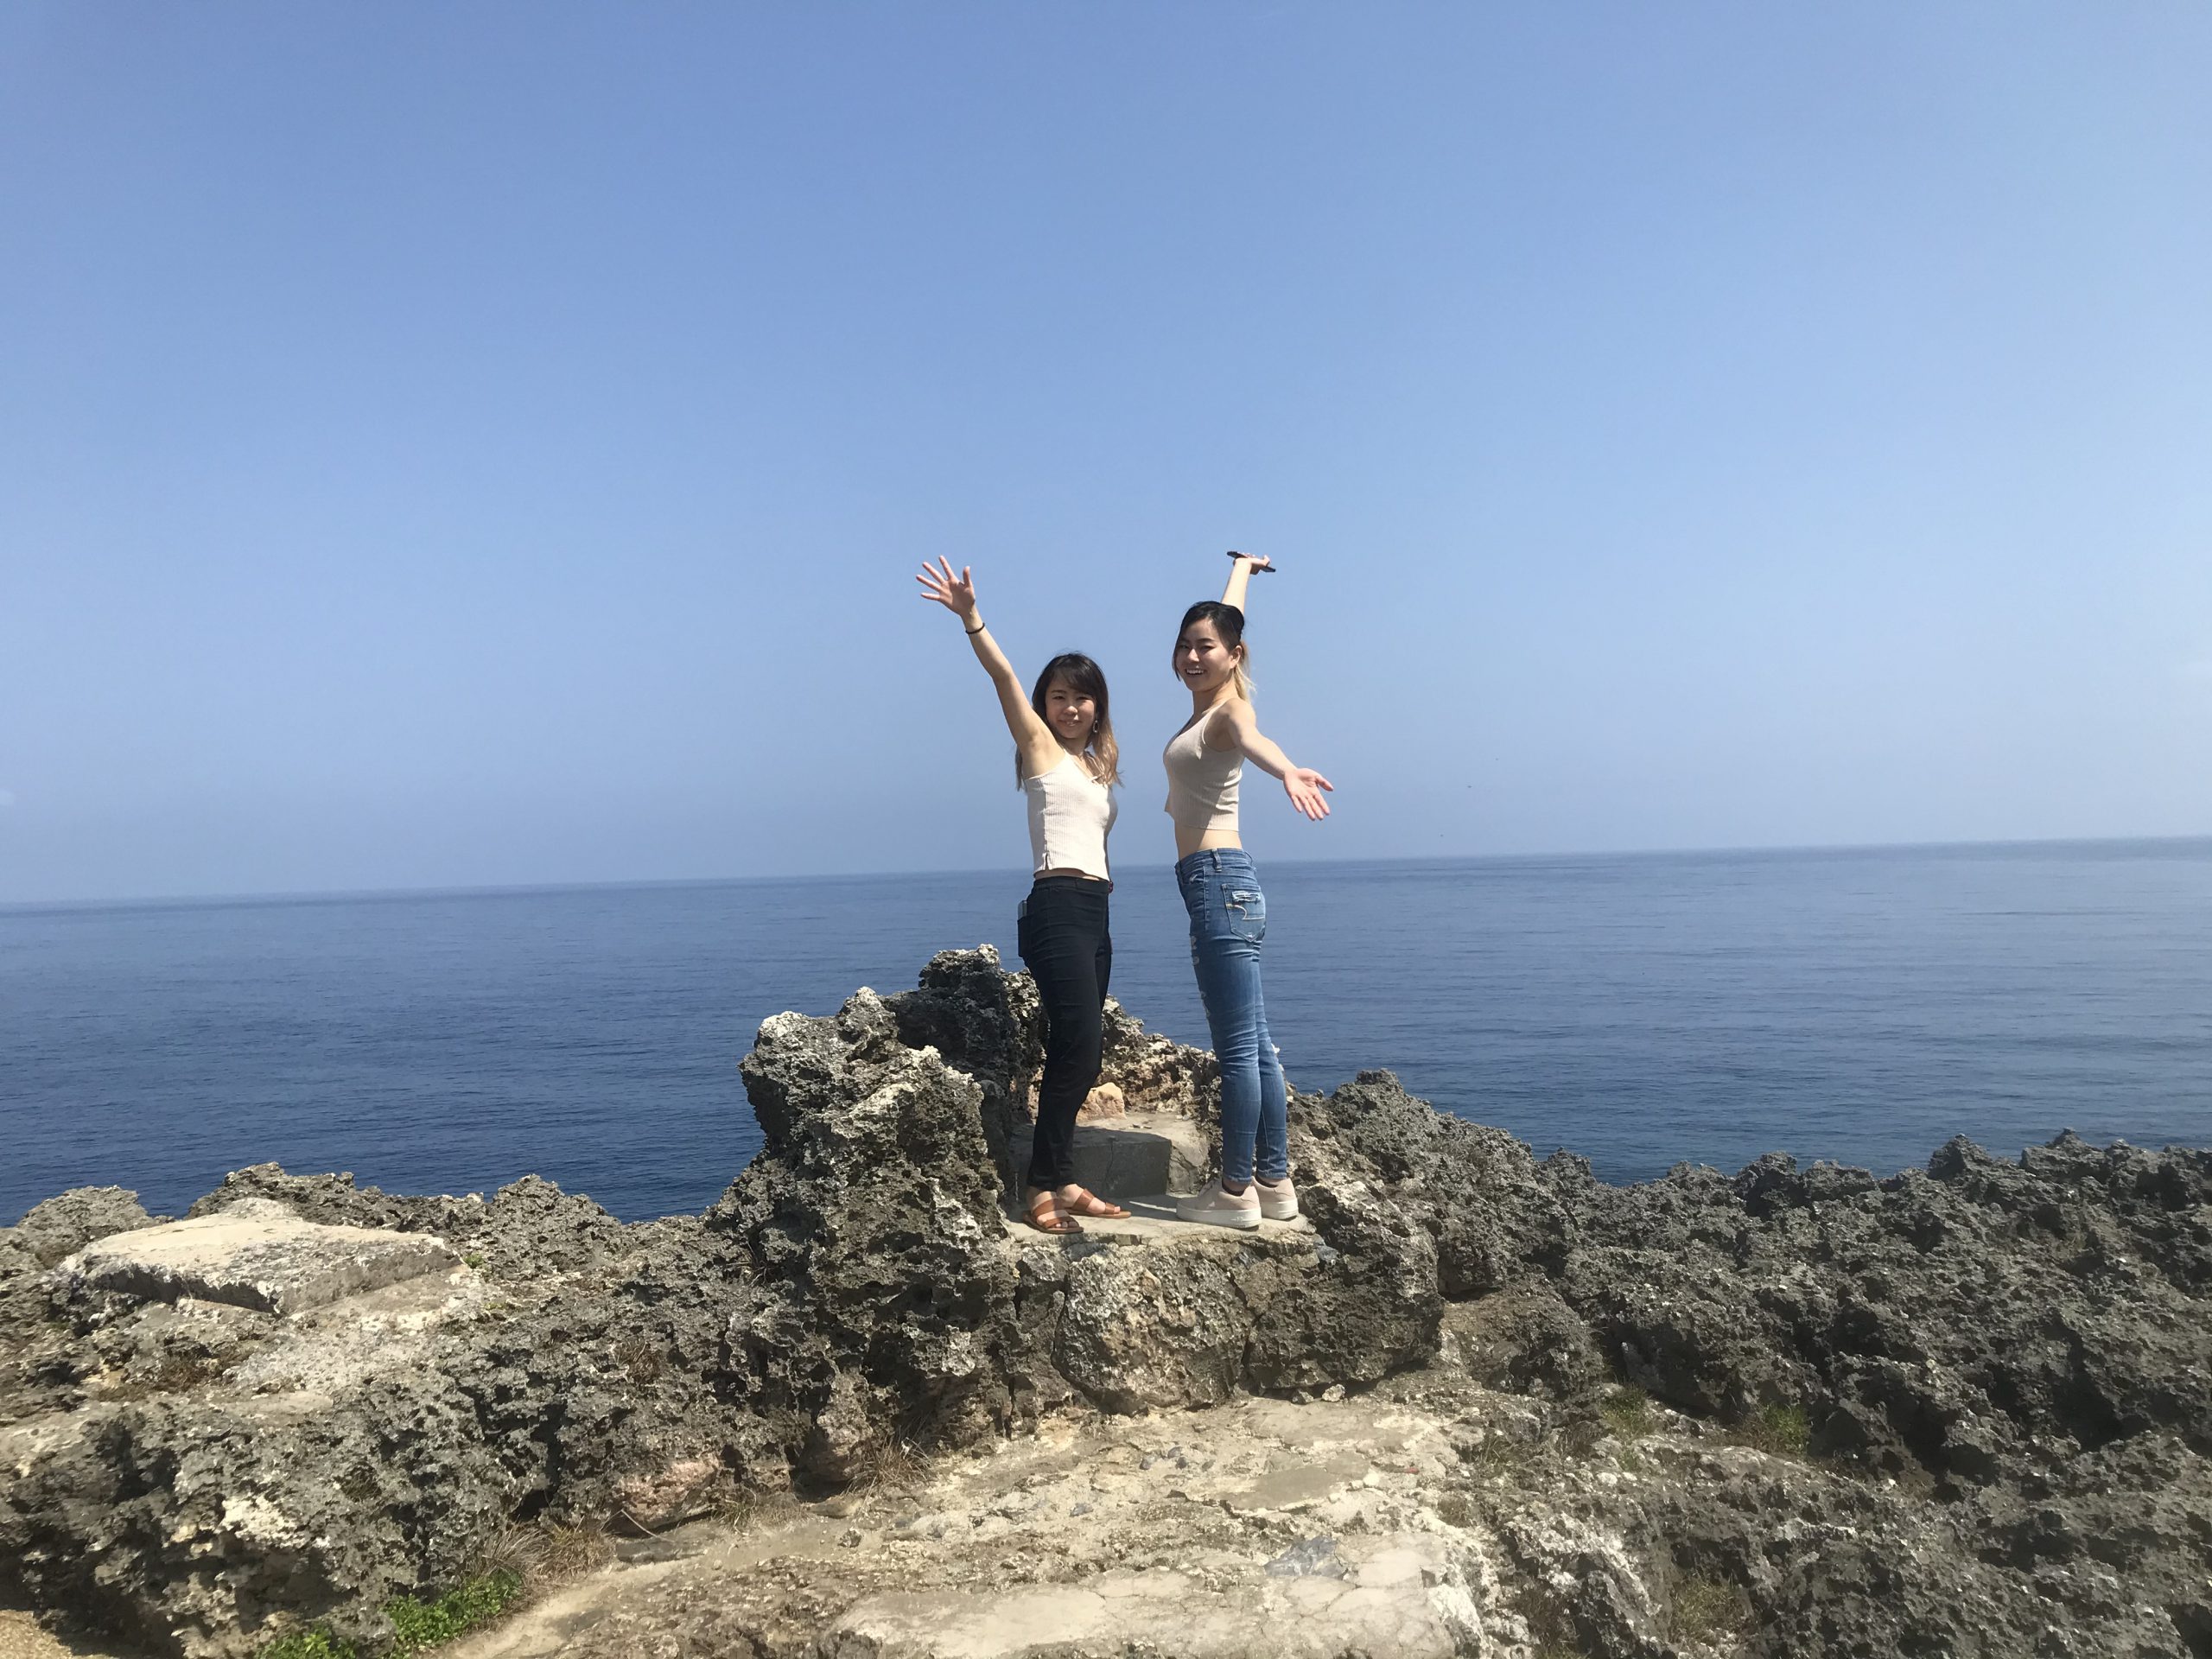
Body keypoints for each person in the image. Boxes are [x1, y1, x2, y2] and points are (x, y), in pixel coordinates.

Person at [916, 557, 1132, 1235]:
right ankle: (1041, 1185)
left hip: (1094, 911)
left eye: (1082, 698)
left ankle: (1062, 1178)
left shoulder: (1097, 768)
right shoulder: (1039, 748)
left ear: (1098, 706)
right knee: (1081, 1045)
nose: (1071, 708)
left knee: (1080, 1052)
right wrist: (971, 618)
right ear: (1045, 704)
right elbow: (1003, 676)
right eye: (1059, 696)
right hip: (1056, 906)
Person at [1166, 553, 1334, 1229]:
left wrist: (1287, 770)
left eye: (1205, 646)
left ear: (1234, 656)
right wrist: (1243, 569)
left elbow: (1252, 737)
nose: (1192, 655)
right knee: (1257, 1045)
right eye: (1184, 644)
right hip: (1226, 883)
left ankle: (1235, 1190)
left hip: (1216, 881)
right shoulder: (1208, 704)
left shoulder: (1229, 711)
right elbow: (1229, 617)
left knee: (1238, 1050)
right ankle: (1274, 1180)